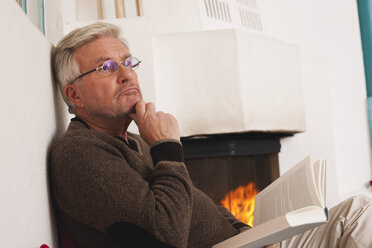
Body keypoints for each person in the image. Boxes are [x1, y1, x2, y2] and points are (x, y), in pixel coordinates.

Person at [50, 22, 372, 248]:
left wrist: (246, 231)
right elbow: (166, 234)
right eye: (106, 67)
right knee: (360, 218)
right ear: (74, 95)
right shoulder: (82, 154)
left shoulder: (131, 140)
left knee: (357, 209)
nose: (126, 75)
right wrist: (166, 146)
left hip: (243, 243)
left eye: (127, 62)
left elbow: (192, 198)